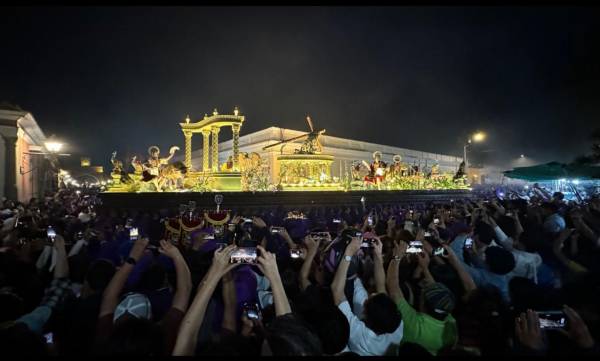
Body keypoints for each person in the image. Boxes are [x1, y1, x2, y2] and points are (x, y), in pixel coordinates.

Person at [331, 234, 403, 355]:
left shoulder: (360, 335)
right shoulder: (396, 327)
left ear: (364, 315)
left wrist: (348, 253)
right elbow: (381, 286)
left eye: (369, 298)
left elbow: (336, 291)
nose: (373, 293)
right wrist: (378, 255)